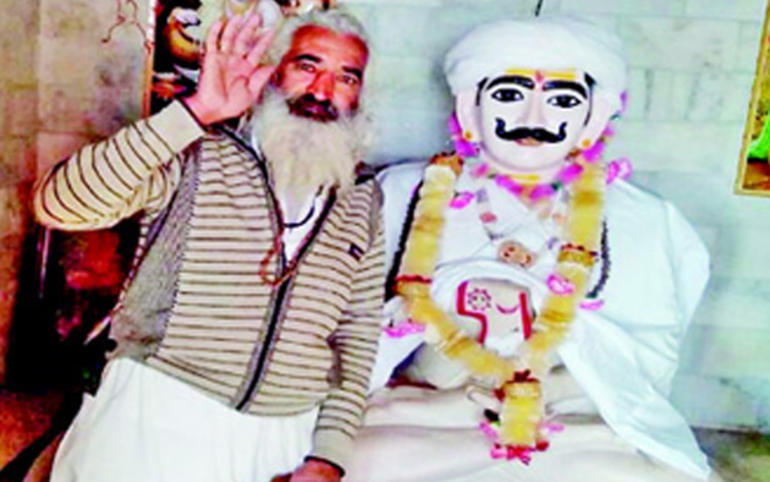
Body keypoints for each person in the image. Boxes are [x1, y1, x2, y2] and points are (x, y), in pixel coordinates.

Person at [349, 17, 720, 481]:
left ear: (595, 116)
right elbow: (352, 329)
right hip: (432, 413)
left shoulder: (643, 219)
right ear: (470, 107)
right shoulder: (405, 193)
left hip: (565, 418)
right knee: (360, 461)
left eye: (562, 101)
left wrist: (547, 393)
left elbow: (649, 358)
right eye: (509, 95)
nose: (534, 118)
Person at [33, 7, 383, 482]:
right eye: (308, 66)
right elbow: (58, 205)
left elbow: (357, 333)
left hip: (282, 440)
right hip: (154, 415)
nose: (322, 91)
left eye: (346, 77)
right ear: (274, 70)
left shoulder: (362, 195)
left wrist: (329, 456)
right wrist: (197, 111)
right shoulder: (195, 151)